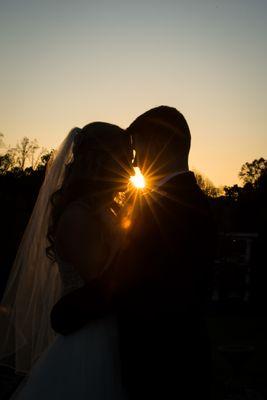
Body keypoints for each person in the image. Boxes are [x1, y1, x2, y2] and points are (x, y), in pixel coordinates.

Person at [51, 106, 215, 399]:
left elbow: (128, 283)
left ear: (157, 144)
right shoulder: (174, 203)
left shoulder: (176, 208)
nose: (135, 162)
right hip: (148, 358)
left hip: (162, 365)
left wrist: (66, 313)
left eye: (135, 148)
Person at [0, 122, 133, 399]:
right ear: (100, 162)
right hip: (90, 342)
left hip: (114, 334)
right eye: (124, 160)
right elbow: (103, 284)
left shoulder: (107, 210)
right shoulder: (77, 216)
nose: (131, 170)